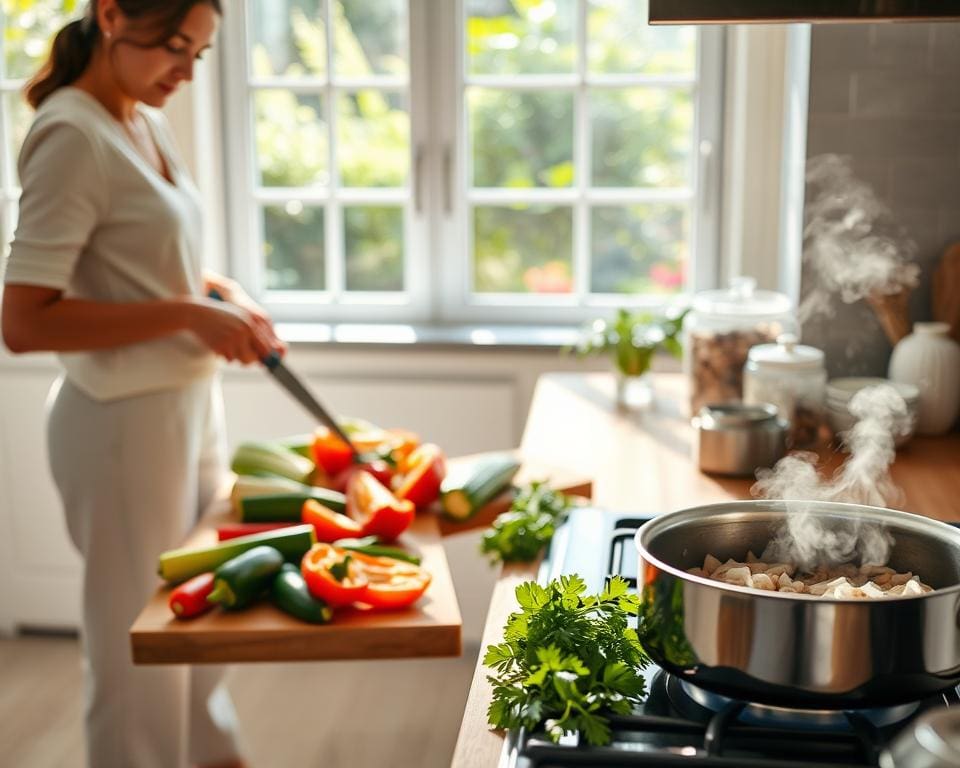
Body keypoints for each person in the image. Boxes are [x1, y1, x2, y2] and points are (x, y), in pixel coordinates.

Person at [1, 1, 284, 766]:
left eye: (201, 53)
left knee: (196, 626)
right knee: (138, 653)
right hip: (121, 429)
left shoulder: (139, 117)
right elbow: (24, 321)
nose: (187, 72)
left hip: (186, 407)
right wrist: (189, 314)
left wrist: (222, 296)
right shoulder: (70, 134)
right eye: (174, 48)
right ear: (113, 15)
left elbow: (143, 263)